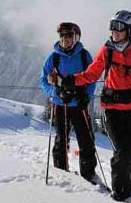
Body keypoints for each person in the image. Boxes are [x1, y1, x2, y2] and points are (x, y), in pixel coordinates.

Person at [62, 11, 131, 202]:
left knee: (129, 153)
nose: (114, 31)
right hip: (112, 109)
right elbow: (91, 73)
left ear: (130, 30)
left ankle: (125, 191)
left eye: (119, 27)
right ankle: (120, 195)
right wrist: (72, 80)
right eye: (112, 26)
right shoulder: (107, 51)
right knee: (122, 150)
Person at [40, 22, 97, 183]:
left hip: (79, 105)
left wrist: (87, 96)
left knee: (86, 140)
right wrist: (54, 92)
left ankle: (88, 175)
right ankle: (61, 172)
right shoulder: (54, 57)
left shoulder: (84, 56)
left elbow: (92, 78)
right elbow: (43, 80)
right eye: (62, 36)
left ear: (76, 37)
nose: (65, 39)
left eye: (68, 36)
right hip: (61, 105)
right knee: (61, 140)